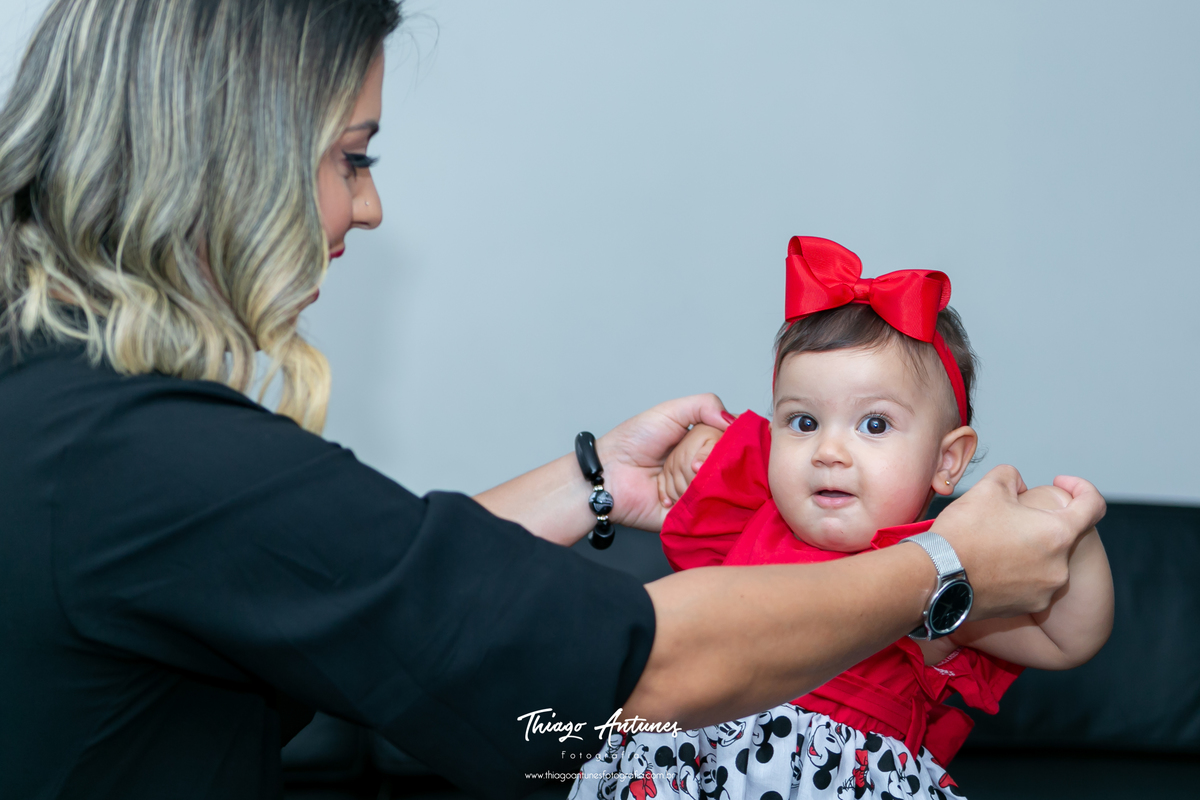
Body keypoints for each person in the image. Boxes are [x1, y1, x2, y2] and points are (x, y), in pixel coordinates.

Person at [0, 2, 1104, 799]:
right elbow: (644, 663)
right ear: (225, 159)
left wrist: (596, 483)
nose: (368, 207)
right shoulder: (157, 457)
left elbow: (401, 589)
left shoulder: (76, 423)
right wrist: (944, 565)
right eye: (352, 158)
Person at [573, 237, 1114, 800]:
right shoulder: (750, 517)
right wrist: (697, 447)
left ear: (946, 461)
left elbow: (1068, 640)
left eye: (874, 425)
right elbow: (711, 458)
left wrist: (1070, 534)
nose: (828, 451)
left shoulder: (945, 570)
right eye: (803, 422)